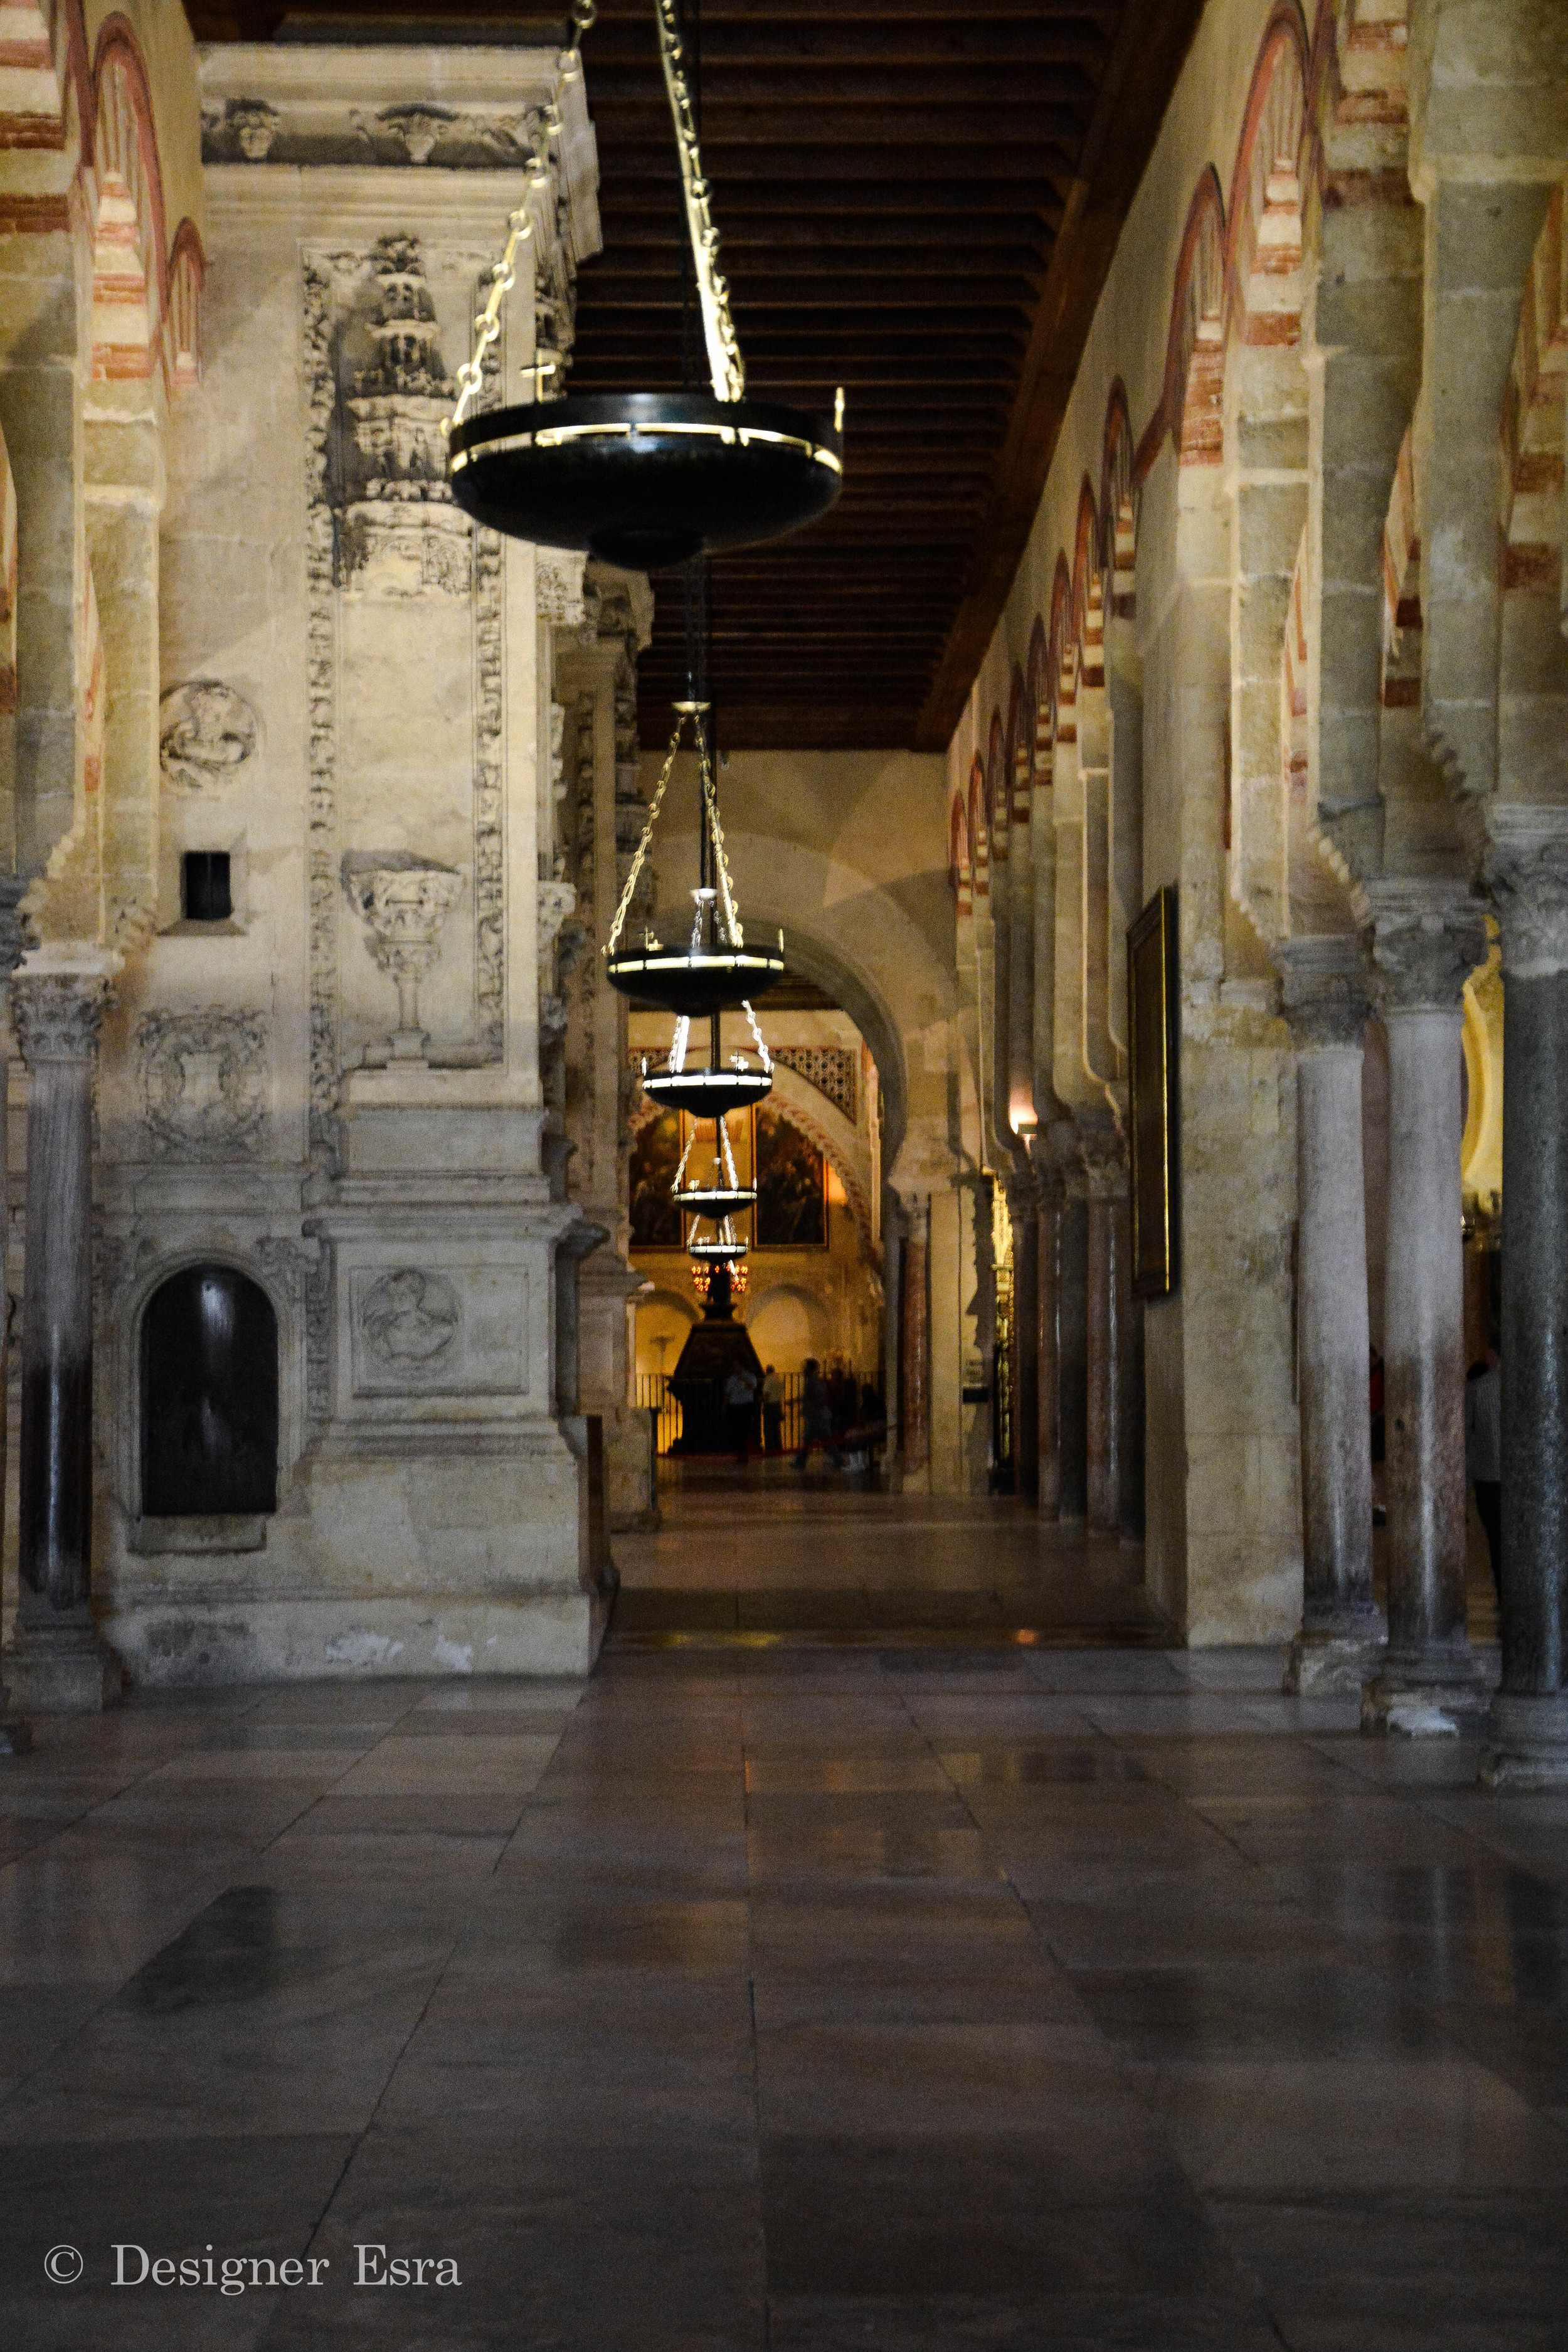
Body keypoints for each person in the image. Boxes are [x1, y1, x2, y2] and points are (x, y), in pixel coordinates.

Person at [1465, 1346, 1502, 1591]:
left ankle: (1503, 1591)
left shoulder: (1477, 1388)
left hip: (1487, 1476)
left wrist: (1464, 1484)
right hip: (1524, 1478)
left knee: (1496, 1538)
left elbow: (1467, 1437)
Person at [793, 1357, 839, 1471]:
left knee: (809, 1439)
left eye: (805, 1367)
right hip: (817, 1416)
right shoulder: (814, 1381)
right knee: (824, 1440)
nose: (803, 1370)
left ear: (810, 1369)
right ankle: (800, 1462)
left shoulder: (814, 1382)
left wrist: (811, 1408)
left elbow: (818, 1398)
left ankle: (800, 1462)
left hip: (817, 1417)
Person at [723, 1361, 757, 1465]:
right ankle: (739, 1454)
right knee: (736, 1431)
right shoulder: (732, 1378)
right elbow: (727, 1392)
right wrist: (724, 1405)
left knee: (744, 1430)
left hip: (745, 1407)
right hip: (735, 1407)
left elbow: (752, 1387)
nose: (735, 1368)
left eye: (737, 1366)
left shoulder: (750, 1376)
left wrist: (742, 1379)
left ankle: (744, 1455)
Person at [761, 1364, 784, 1454]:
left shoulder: (768, 1379)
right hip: (777, 1405)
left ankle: (770, 1449)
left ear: (767, 1371)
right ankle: (778, 1448)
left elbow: (766, 1394)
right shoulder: (778, 1379)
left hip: (770, 1405)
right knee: (776, 1429)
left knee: (768, 1429)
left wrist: (760, 1400)